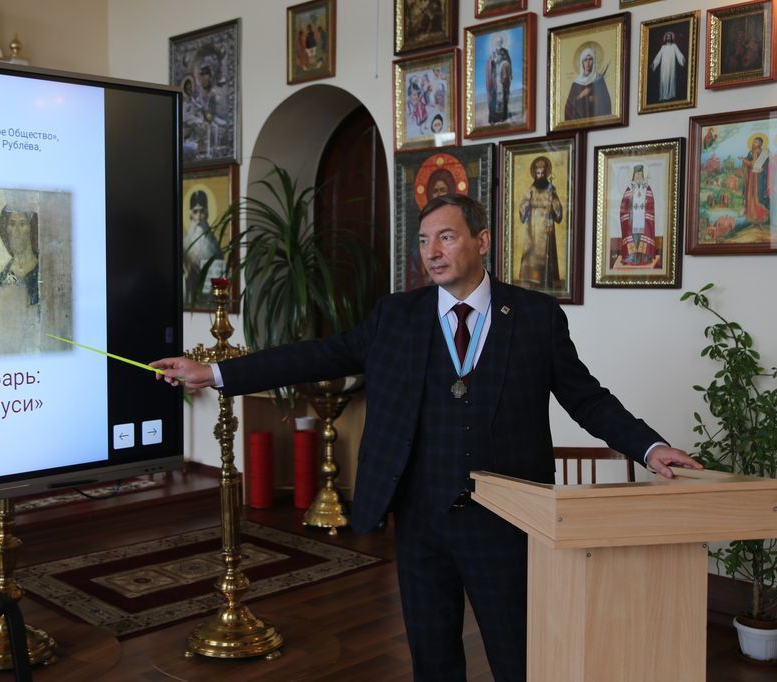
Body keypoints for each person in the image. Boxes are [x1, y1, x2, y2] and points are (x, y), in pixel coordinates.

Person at [151, 192, 700, 682]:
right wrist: (215, 373)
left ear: (482, 241)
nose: (431, 252)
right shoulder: (397, 315)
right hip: (420, 521)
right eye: (423, 241)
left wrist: (649, 447)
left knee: (519, 658)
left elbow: (586, 398)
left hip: (504, 520)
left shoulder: (535, 317)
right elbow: (318, 354)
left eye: (446, 237)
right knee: (433, 661)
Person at [518, 156, 563, 289]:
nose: (540, 176)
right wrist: (527, 201)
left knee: (546, 255)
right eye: (538, 173)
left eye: (542, 173)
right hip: (533, 228)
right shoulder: (530, 190)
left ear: (546, 173)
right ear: (535, 174)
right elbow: (522, 209)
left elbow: (558, 211)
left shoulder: (551, 189)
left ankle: (546, 280)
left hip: (546, 227)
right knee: (531, 255)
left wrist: (553, 202)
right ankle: (531, 280)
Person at [182, 190, 223, 306]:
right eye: (195, 212)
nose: (199, 217)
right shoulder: (184, 244)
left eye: (202, 212)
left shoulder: (214, 244)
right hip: (190, 293)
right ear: (190, 214)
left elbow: (220, 268)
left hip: (209, 295)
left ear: (207, 213)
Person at [0, 206, 39, 306]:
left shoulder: (43, 271)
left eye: (22, 224)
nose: (17, 231)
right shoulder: (2, 278)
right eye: (12, 224)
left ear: (31, 228)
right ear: (6, 230)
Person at [619, 165, 657, 266]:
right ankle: (631, 258)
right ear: (633, 175)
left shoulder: (647, 188)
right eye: (637, 174)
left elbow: (650, 204)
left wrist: (646, 204)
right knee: (634, 238)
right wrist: (630, 200)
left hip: (644, 220)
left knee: (641, 238)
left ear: (643, 176)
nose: (639, 176)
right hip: (632, 220)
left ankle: (644, 258)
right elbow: (624, 206)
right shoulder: (629, 189)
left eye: (640, 174)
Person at [564, 46, 611, 120]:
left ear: (594, 61)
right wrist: (581, 96)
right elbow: (568, 107)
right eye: (585, 60)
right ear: (582, 63)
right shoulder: (576, 84)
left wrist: (596, 99)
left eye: (590, 59)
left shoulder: (599, 80)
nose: (588, 63)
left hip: (596, 121)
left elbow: (606, 102)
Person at [743, 133, 772, 224]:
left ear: (760, 144)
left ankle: (761, 216)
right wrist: (746, 162)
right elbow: (750, 163)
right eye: (754, 142)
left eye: (756, 142)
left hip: (759, 177)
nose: (754, 144)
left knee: (758, 195)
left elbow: (766, 165)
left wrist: (746, 162)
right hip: (751, 176)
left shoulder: (764, 153)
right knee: (750, 195)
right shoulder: (750, 152)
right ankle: (752, 216)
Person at [650, 31, 685, 102]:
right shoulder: (663, 47)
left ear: (671, 38)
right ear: (665, 38)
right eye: (667, 37)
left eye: (669, 37)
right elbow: (658, 57)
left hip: (671, 67)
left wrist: (682, 59)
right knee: (663, 80)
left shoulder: (674, 46)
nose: (668, 38)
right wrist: (654, 63)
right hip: (664, 67)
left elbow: (678, 54)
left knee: (671, 80)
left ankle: (670, 95)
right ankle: (663, 96)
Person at [485, 34, 512, 124]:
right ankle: (494, 118)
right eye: (498, 42)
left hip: (503, 78)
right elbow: (489, 64)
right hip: (494, 78)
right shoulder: (492, 53)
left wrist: (506, 65)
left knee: (503, 96)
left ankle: (503, 117)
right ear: (495, 43)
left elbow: (509, 62)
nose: (499, 43)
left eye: (500, 42)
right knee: (494, 97)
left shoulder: (505, 52)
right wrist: (492, 62)